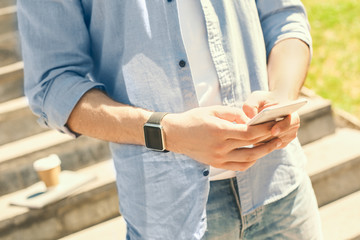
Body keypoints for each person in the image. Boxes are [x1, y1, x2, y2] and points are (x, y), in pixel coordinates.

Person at [17, 0, 322, 239]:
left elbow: (284, 16)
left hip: (282, 185)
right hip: (171, 215)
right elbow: (53, 85)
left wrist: (282, 98)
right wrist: (167, 133)